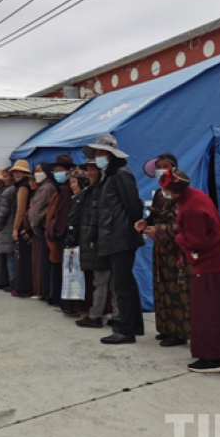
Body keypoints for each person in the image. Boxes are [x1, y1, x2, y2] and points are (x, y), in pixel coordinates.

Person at [162, 168, 220, 373]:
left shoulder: (192, 209)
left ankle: (211, 358)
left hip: (209, 266)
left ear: (173, 191)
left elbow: (196, 241)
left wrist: (178, 238)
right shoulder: (196, 196)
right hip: (218, 261)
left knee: (207, 312)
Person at [82, 135, 145, 344]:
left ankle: (126, 330)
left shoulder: (120, 174)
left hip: (122, 237)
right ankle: (133, 325)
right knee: (125, 283)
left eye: (102, 153)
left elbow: (133, 205)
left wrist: (131, 229)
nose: (98, 156)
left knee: (122, 285)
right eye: (97, 153)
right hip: (114, 237)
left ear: (111, 154)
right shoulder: (109, 175)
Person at [136, 153, 192, 347]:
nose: (160, 170)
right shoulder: (159, 194)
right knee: (161, 287)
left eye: (165, 166)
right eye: (158, 167)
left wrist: (158, 230)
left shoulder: (181, 194)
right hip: (160, 248)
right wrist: (146, 223)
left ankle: (179, 332)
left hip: (176, 250)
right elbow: (155, 217)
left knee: (177, 290)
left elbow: (181, 224)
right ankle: (166, 328)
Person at [75, 160, 118, 328]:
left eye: (93, 169)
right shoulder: (93, 190)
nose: (89, 173)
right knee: (108, 281)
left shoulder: (99, 191)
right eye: (88, 170)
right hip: (101, 241)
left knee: (102, 281)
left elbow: (95, 218)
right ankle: (115, 315)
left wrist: (89, 237)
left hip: (100, 242)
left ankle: (96, 316)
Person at [44, 155, 76, 311]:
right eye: (55, 171)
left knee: (62, 268)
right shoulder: (61, 188)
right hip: (57, 233)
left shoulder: (66, 189)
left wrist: (56, 231)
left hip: (62, 235)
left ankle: (60, 300)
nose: (57, 173)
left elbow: (63, 214)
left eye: (60, 170)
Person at [62, 167, 91, 315]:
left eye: (74, 182)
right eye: (70, 183)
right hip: (76, 240)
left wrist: (70, 240)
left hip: (80, 241)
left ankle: (80, 307)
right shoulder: (76, 198)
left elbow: (74, 221)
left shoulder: (83, 198)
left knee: (79, 275)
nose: (72, 185)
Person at [27, 164, 55, 300]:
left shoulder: (46, 188)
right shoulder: (45, 187)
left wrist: (33, 226)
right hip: (40, 227)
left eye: (39, 171)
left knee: (42, 262)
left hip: (41, 228)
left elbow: (35, 211)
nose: (37, 174)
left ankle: (44, 292)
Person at [9, 160, 33, 298]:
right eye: (15, 172)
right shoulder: (23, 185)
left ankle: (23, 287)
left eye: (19, 172)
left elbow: (20, 210)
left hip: (22, 226)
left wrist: (15, 228)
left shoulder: (23, 187)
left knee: (22, 257)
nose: (16, 174)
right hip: (25, 225)